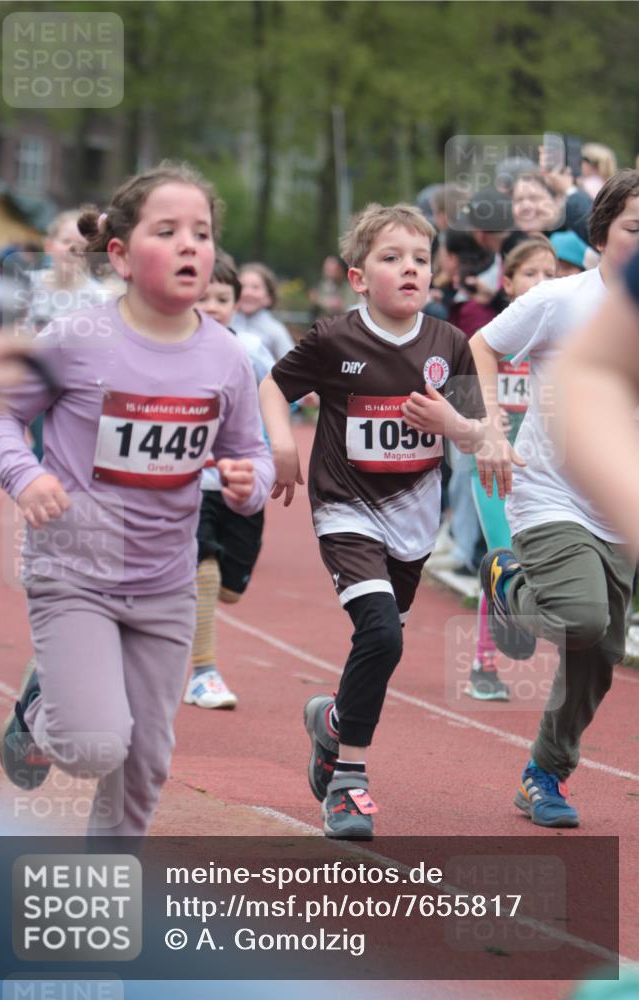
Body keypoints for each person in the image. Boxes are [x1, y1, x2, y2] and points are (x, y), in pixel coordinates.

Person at [0, 161, 274, 837]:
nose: (189, 246)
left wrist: (247, 483)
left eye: (200, 233)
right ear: (118, 253)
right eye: (167, 230)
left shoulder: (226, 357)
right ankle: (37, 713)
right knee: (92, 745)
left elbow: (251, 451)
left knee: (143, 764)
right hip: (73, 575)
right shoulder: (76, 339)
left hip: (164, 585)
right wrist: (27, 478)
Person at [259, 203, 487, 839]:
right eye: (391, 258)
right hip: (346, 509)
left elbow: (476, 434)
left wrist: (455, 426)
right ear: (360, 277)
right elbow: (273, 388)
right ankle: (348, 782)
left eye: (419, 258)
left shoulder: (450, 344)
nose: (409, 269)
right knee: (381, 634)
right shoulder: (335, 339)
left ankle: (331, 722)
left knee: (382, 646)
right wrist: (281, 445)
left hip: (415, 521)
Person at [469, 169, 639, 828]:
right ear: (599, 233)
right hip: (547, 491)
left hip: (617, 504)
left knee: (597, 651)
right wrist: (488, 426)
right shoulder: (561, 300)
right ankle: (504, 578)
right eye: (633, 229)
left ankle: (544, 773)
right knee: (580, 615)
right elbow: (482, 346)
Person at [183, 251, 274, 709]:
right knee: (204, 568)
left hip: (242, 482)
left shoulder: (250, 350)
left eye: (222, 298)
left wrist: (284, 449)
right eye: (203, 297)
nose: (213, 306)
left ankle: (184, 606)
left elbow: (278, 398)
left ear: (237, 304)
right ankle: (203, 672)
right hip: (191, 483)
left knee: (230, 590)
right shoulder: (176, 347)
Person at [468, 236, 557, 700]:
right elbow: (457, 404)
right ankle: (483, 664)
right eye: (531, 274)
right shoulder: (489, 337)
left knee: (540, 563)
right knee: (503, 558)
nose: (542, 282)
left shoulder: (559, 337)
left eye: (549, 273)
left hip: (543, 472)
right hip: (492, 469)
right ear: (508, 283)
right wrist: (486, 419)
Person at [553, 248, 639, 558]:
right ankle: (510, 585)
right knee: (581, 606)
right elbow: (588, 372)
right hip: (550, 492)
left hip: (603, 519)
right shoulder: (558, 296)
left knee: (607, 604)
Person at [23, 210, 110, 460]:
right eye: (66, 242)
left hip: (73, 385)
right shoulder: (29, 284)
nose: (73, 250)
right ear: (49, 246)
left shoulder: (98, 296)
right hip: (33, 379)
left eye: (82, 246)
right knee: (41, 444)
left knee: (59, 448)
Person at [232, 262, 294, 361]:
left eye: (255, 287)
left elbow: (292, 363)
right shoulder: (226, 323)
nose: (247, 292)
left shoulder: (275, 330)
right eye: (242, 286)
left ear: (268, 297)